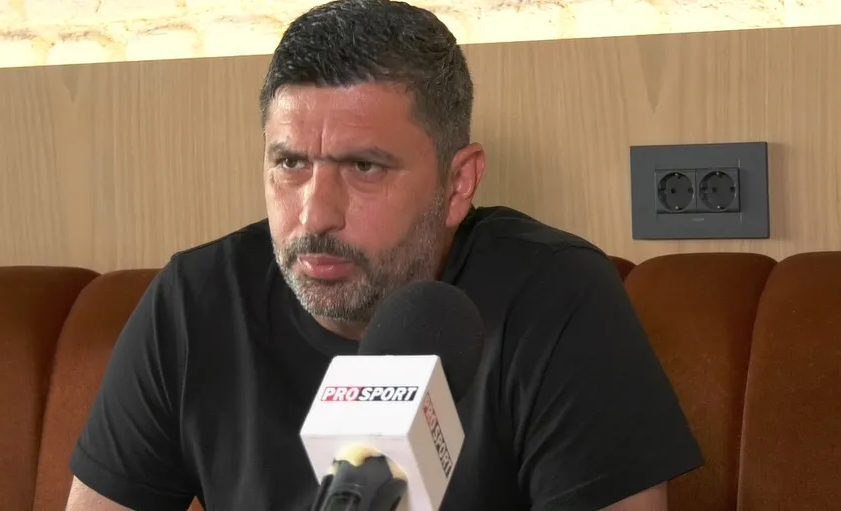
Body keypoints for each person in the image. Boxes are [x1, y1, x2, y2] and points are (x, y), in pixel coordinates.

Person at [65, 0, 704, 509]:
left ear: (458, 184)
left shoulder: (557, 296)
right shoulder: (195, 299)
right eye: (290, 163)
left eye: (364, 167)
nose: (314, 214)